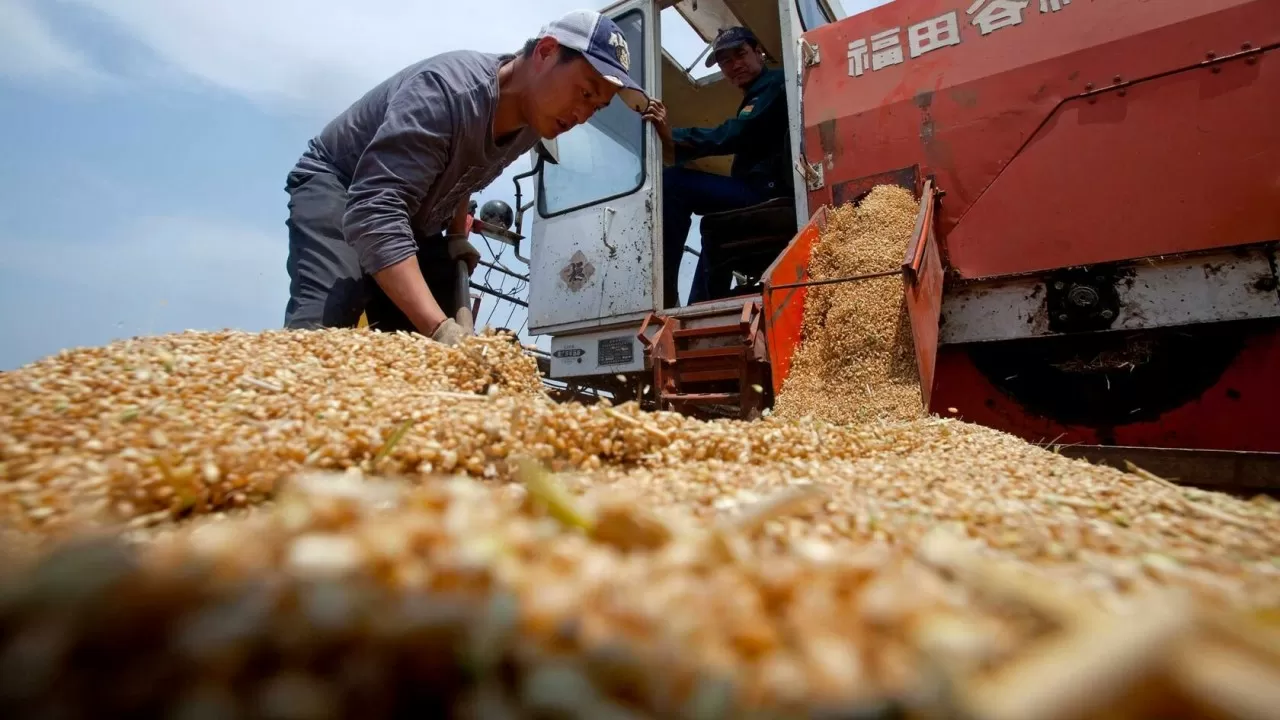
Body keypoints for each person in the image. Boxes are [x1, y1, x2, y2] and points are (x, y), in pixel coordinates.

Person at [283, 10, 648, 344]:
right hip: (342, 185)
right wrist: (439, 328)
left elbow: (468, 173)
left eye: (595, 107)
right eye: (584, 92)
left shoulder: (534, 124)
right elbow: (373, 211)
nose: (582, 115)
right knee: (328, 324)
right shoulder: (445, 93)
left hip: (408, 213)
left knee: (429, 316)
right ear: (547, 51)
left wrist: (457, 235)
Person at [643, 26, 792, 307]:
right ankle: (700, 308)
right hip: (758, 189)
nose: (735, 65)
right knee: (713, 232)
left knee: (673, 182)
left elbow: (737, 132)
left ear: (758, 51)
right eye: (725, 61)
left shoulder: (774, 84)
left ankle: (662, 290)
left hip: (767, 191)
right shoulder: (759, 92)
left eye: (740, 54)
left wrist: (672, 134)